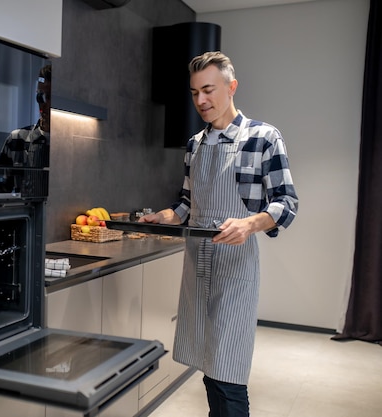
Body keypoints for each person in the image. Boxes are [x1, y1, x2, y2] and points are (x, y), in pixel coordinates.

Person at [139, 51, 298, 416]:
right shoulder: (196, 144)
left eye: (208, 90)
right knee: (210, 368)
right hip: (197, 268)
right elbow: (186, 203)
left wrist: (249, 223)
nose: (201, 101)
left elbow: (286, 203)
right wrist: (164, 217)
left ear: (231, 87)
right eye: (195, 93)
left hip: (236, 269)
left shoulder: (263, 138)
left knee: (228, 373)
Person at [0, 64, 51, 195]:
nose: (44, 103)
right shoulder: (17, 139)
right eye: (40, 96)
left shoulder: (66, 147)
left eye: (49, 97)